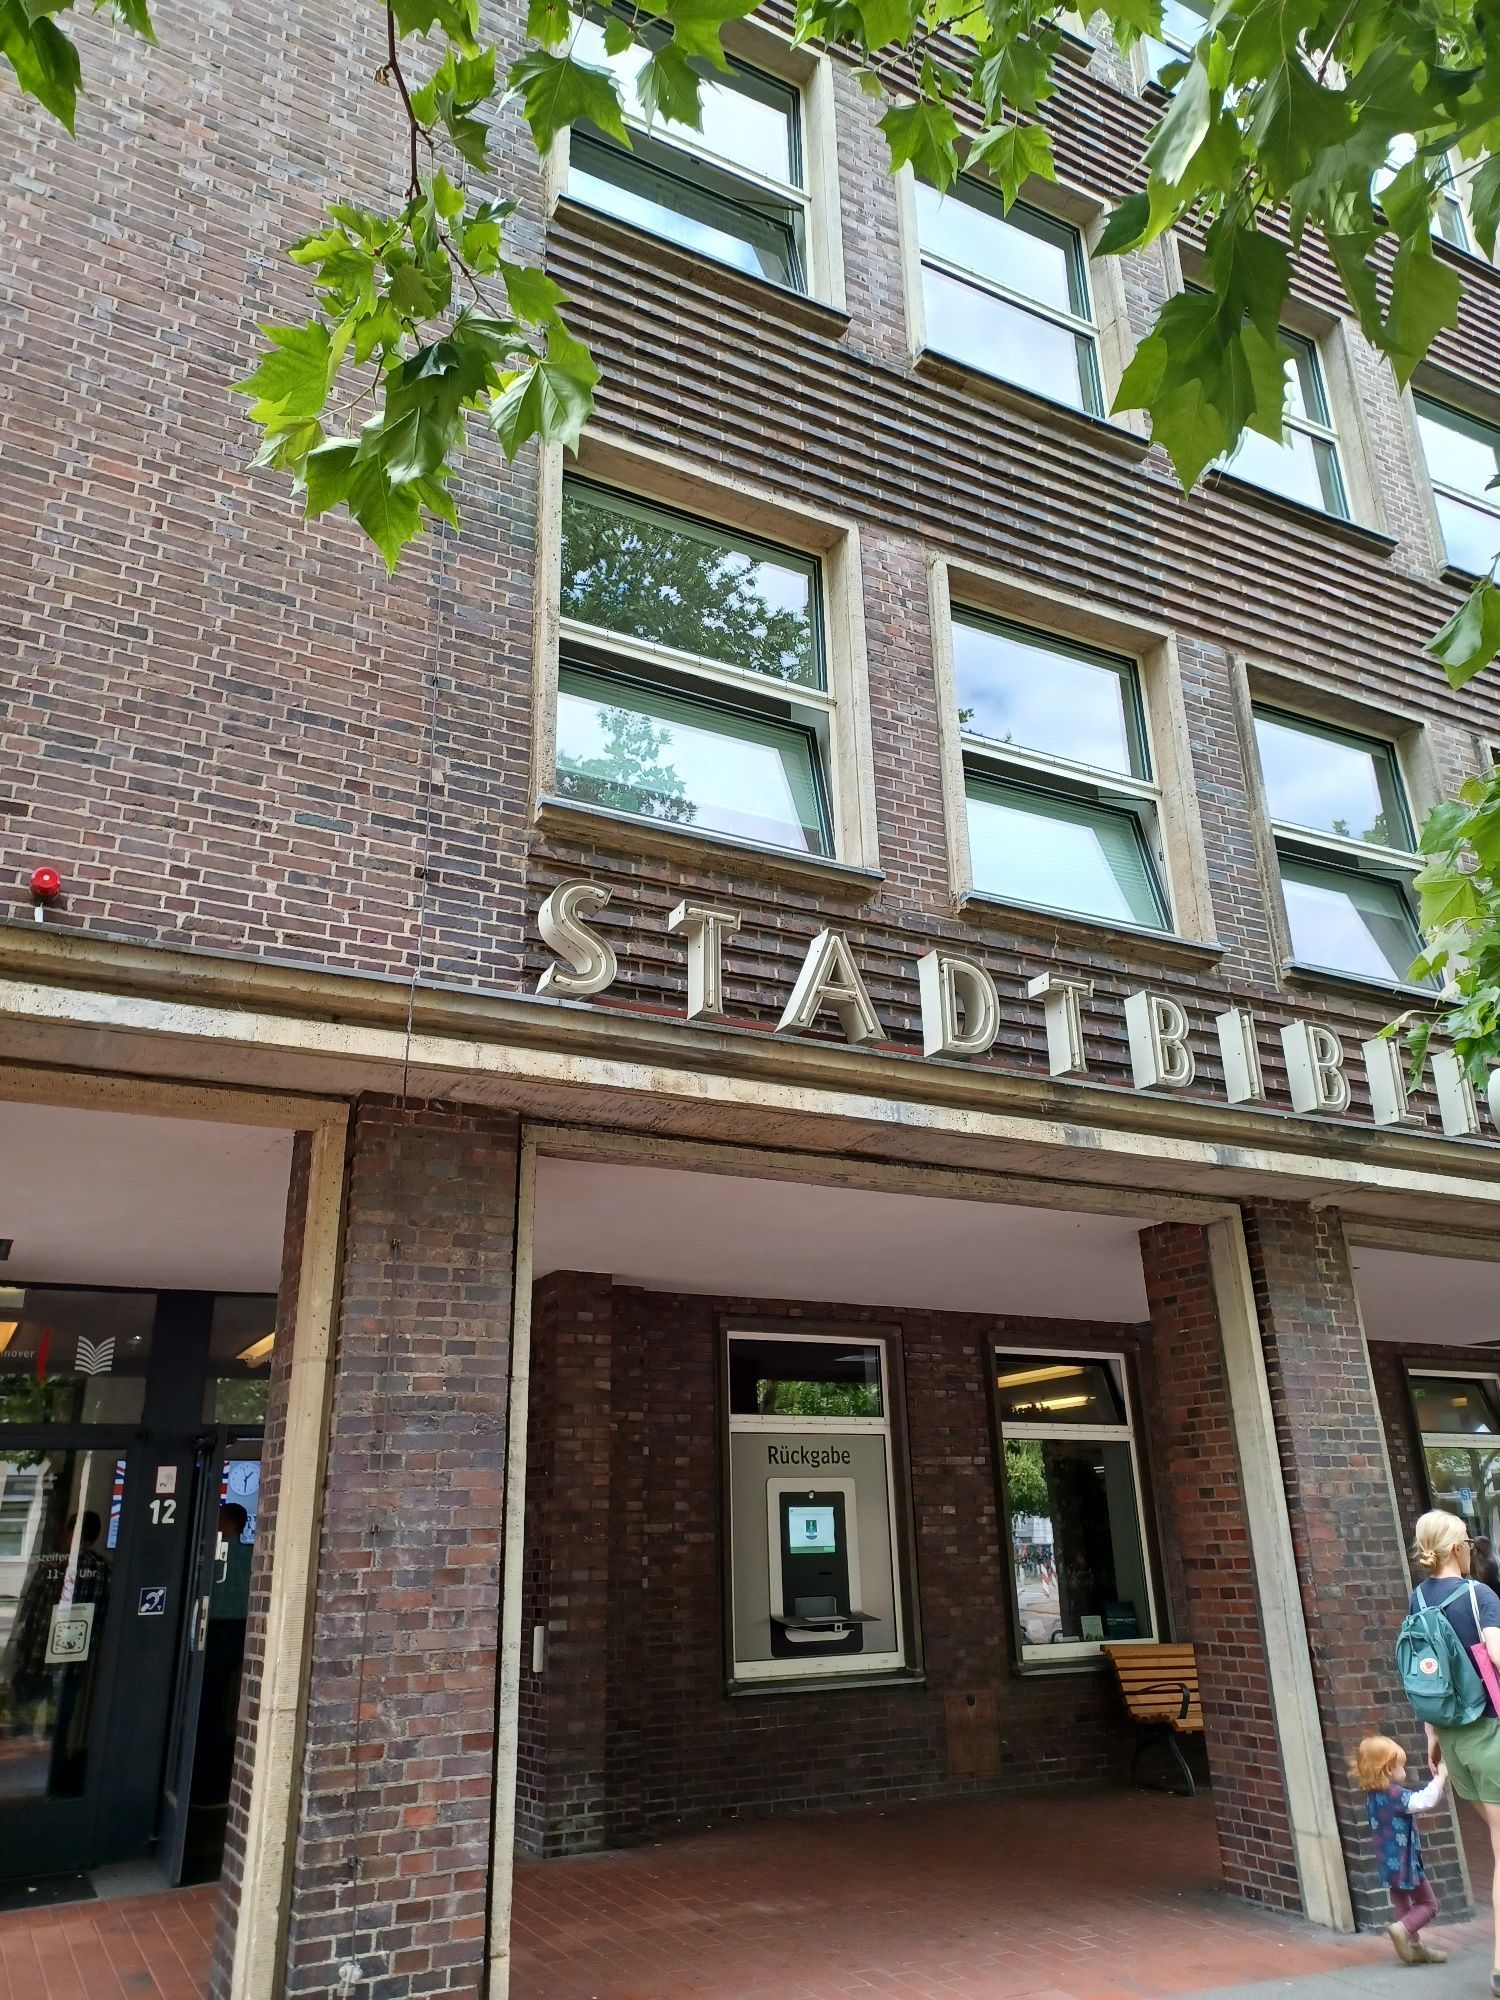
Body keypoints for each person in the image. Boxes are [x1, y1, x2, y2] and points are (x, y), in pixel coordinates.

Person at [1410, 1509, 1500, 1997]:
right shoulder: (1478, 1595)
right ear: (1456, 1547)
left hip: (1451, 1739)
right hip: (1489, 1731)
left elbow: (1428, 1672)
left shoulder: (1419, 1598)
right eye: (1466, 1540)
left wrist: (1431, 1736)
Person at [1353, 1734, 1449, 1964]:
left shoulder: (1372, 1796)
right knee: (1428, 1905)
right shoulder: (1395, 1795)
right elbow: (1424, 1800)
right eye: (1401, 1766)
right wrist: (1441, 1778)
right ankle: (1403, 1929)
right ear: (1388, 1769)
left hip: (1388, 1863)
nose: (1403, 1771)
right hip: (1406, 1863)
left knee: (1403, 1904)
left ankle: (1413, 1946)